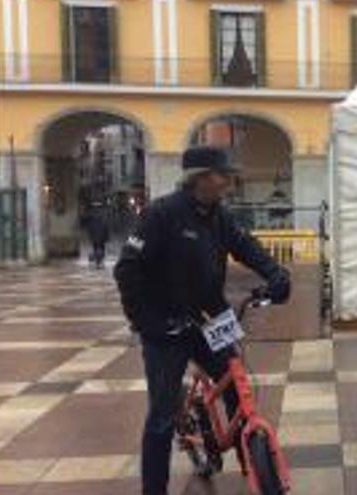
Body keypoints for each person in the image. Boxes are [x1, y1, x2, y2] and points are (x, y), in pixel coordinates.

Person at [114, 146, 291, 495]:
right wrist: (146, 322)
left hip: (211, 316)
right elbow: (127, 269)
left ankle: (248, 462)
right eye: (224, 175)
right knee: (162, 417)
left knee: (237, 386)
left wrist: (276, 274)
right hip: (166, 325)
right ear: (202, 178)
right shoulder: (162, 214)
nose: (229, 181)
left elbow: (246, 246)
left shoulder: (219, 216)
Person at [82, 200, 110, 268]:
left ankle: (98, 261)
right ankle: (98, 261)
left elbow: (105, 227)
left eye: (98, 208)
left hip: (99, 237)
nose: (97, 209)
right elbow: (88, 225)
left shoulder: (100, 216)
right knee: (98, 248)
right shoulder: (94, 216)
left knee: (99, 248)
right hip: (97, 237)